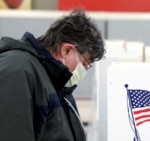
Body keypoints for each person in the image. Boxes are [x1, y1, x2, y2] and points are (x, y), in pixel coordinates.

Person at [0, 8, 106, 141]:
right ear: (67, 50)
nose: (83, 71)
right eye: (84, 64)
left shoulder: (56, 83)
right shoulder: (18, 71)